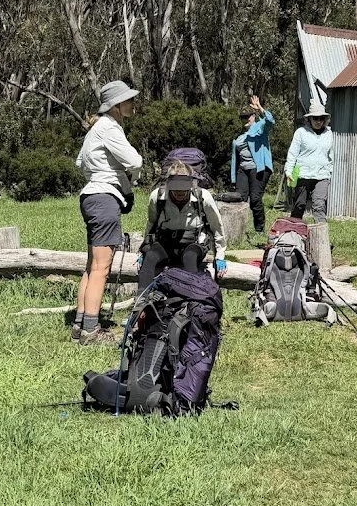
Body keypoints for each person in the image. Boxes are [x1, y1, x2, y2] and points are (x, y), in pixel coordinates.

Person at [74, 80, 143, 344]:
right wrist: (129, 179)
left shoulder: (95, 128)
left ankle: (80, 325)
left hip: (91, 196)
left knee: (92, 266)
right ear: (116, 105)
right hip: (104, 199)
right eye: (128, 100)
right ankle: (91, 332)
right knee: (102, 268)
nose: (132, 104)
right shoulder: (110, 128)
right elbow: (135, 161)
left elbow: (80, 162)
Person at [139, 161, 228, 289]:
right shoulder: (157, 196)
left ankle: (190, 300)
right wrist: (144, 248)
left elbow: (216, 226)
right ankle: (141, 303)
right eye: (176, 190)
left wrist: (220, 256)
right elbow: (151, 223)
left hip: (193, 243)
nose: (180, 194)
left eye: (183, 190)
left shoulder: (203, 197)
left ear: (191, 184)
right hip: (165, 242)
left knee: (189, 258)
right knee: (150, 257)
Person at [230, 94, 275, 234]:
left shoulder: (260, 127)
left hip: (259, 168)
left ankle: (259, 229)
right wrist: (233, 179)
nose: (245, 119)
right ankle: (238, 231)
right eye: (242, 117)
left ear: (253, 116)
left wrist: (260, 108)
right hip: (243, 170)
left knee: (255, 199)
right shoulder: (239, 137)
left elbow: (270, 121)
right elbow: (234, 159)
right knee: (240, 199)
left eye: (247, 116)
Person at [284, 99, 333, 223]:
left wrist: (330, 172)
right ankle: (293, 234)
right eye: (315, 118)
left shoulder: (329, 133)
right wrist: (289, 171)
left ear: (324, 119)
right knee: (299, 205)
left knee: (319, 206)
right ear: (309, 119)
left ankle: (322, 239)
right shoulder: (301, 133)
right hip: (302, 174)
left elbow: (331, 155)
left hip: (322, 175)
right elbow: (292, 153)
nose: (318, 121)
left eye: (321, 118)